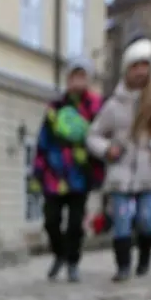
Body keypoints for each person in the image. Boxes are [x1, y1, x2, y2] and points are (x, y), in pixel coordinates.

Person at [87, 38, 151, 281]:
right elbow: (93, 135)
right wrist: (107, 149)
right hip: (120, 171)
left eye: (145, 65)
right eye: (135, 65)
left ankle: (144, 259)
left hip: (147, 170)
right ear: (127, 69)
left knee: (145, 218)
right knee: (121, 219)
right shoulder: (114, 105)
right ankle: (123, 267)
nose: (140, 71)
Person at [32, 57, 104, 283]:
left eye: (82, 76)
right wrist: (37, 173)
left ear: (88, 80)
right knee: (50, 221)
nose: (77, 81)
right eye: (74, 76)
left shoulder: (95, 107)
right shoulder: (55, 108)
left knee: (75, 224)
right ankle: (59, 253)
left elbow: (103, 138)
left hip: (80, 175)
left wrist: (97, 167)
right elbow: (43, 141)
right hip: (54, 175)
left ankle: (73, 262)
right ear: (68, 79)